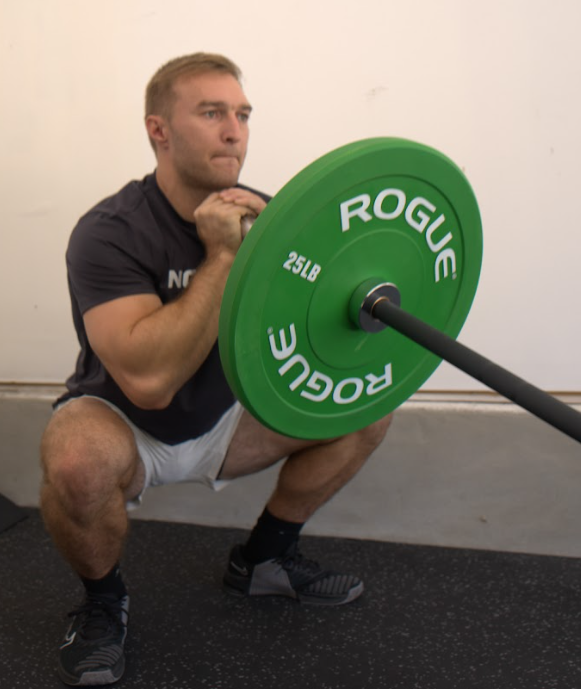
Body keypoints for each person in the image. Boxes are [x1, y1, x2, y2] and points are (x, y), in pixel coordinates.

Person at [40, 52, 392, 686]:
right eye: (212, 113)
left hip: (227, 421)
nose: (235, 131)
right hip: (126, 423)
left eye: (243, 114)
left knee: (368, 402)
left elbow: (318, 330)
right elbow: (149, 381)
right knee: (74, 461)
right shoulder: (109, 231)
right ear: (160, 130)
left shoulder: (278, 220)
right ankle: (103, 604)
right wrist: (224, 254)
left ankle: (264, 562)